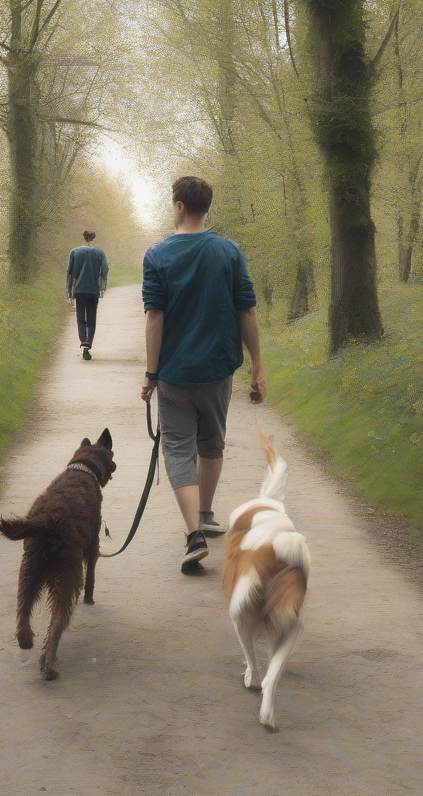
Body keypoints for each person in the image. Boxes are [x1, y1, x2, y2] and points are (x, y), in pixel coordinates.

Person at [140, 176, 265, 573]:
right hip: (216, 370)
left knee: (177, 448)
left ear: (178, 206)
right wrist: (258, 367)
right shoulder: (228, 250)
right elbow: (246, 310)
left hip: (175, 374)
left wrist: (151, 373)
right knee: (212, 442)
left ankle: (194, 532)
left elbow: (154, 316)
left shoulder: (157, 254)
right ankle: (207, 512)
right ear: (206, 207)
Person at [67, 230, 108, 360]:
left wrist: (69, 291)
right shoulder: (100, 252)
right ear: (93, 238)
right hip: (93, 290)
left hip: (79, 290)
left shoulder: (75, 252)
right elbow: (105, 269)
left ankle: (83, 341)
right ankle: (88, 344)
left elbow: (70, 272)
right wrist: (102, 286)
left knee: (80, 318)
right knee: (91, 318)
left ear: (84, 238)